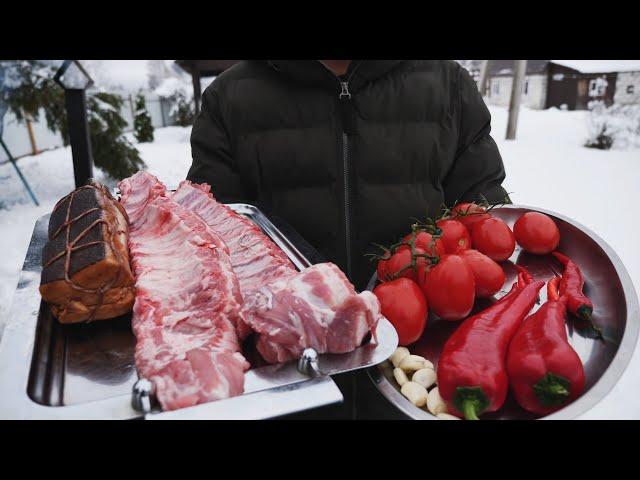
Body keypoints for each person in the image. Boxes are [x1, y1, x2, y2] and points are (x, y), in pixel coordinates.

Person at [188, 60, 508, 289]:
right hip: (288, 348)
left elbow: (483, 221)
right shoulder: (229, 99)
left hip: (418, 354)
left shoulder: (448, 85)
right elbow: (212, 238)